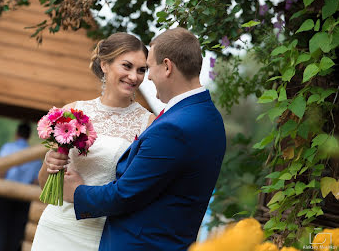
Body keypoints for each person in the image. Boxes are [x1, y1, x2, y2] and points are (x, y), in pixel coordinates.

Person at [63, 27, 227, 250]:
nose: (147, 77)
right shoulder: (209, 117)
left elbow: (125, 194)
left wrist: (77, 192)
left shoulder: (174, 127)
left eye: (149, 68)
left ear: (167, 67)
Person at [31, 33, 155, 251]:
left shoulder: (149, 124)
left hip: (102, 235)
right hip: (56, 229)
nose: (134, 76)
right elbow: (44, 187)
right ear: (104, 64)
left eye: (141, 70)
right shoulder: (71, 112)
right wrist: (50, 163)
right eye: (126, 66)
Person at [0, 122, 42, 251]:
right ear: (29, 136)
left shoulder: (7, 148)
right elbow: (35, 181)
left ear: (16, 134)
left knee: (1, 230)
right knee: (17, 233)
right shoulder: (35, 155)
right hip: (23, 198)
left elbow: (1, 171)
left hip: (4, 194)